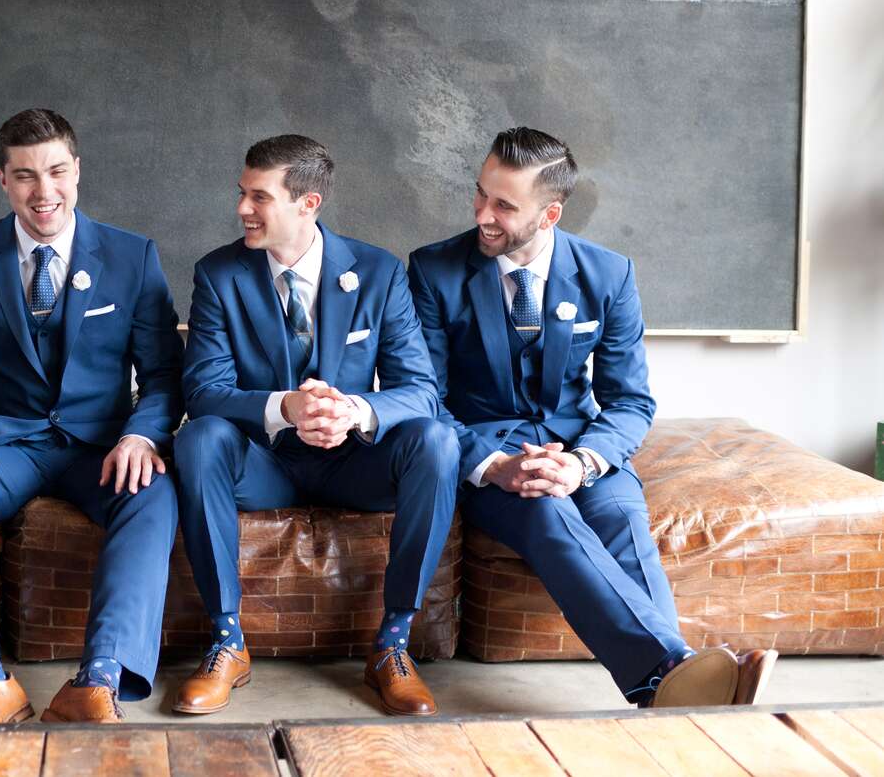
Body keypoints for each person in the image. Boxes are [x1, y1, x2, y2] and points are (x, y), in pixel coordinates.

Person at [407, 126, 776, 708]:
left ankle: (671, 684)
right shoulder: (434, 270)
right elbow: (425, 398)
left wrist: (582, 463)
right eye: (481, 194)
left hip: (580, 447)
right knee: (545, 513)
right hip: (486, 453)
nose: (483, 214)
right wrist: (496, 466)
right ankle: (674, 673)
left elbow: (631, 400)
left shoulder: (609, 274)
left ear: (550, 213)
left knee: (623, 518)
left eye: (505, 205)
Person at [0, 108, 184, 723]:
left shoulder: (134, 257)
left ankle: (101, 678)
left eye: (56, 171)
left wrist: (140, 434)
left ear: (77, 170)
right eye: (25, 176)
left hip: (103, 448)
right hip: (8, 444)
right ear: (3, 180)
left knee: (154, 493)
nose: (43, 191)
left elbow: (164, 374)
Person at [173, 134, 459, 717]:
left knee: (437, 440)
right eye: (242, 194)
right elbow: (203, 392)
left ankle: (393, 645)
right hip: (267, 463)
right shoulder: (218, 274)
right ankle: (228, 643)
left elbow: (421, 391)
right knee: (200, 437)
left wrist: (353, 411)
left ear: (308, 203)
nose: (242, 209)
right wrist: (286, 408)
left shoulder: (379, 272)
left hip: (353, 461)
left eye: (260, 197)